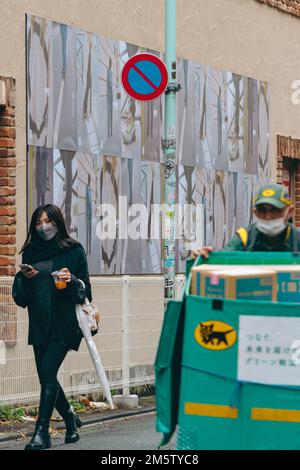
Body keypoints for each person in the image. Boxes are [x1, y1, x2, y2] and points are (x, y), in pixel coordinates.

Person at [12, 204, 92, 450]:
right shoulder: (31, 253)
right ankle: (70, 419)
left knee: (47, 372)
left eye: (48, 221)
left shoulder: (73, 251)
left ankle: (42, 432)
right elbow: (22, 300)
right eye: (38, 222)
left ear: (58, 222)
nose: (43, 226)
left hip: (64, 324)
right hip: (39, 324)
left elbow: (85, 292)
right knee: (47, 377)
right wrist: (24, 278)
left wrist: (71, 282)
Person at [191, 183, 299, 260]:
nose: (268, 216)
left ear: (289, 212)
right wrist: (203, 258)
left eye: (275, 210)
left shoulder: (297, 238)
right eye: (262, 210)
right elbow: (223, 260)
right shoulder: (245, 238)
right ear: (255, 212)